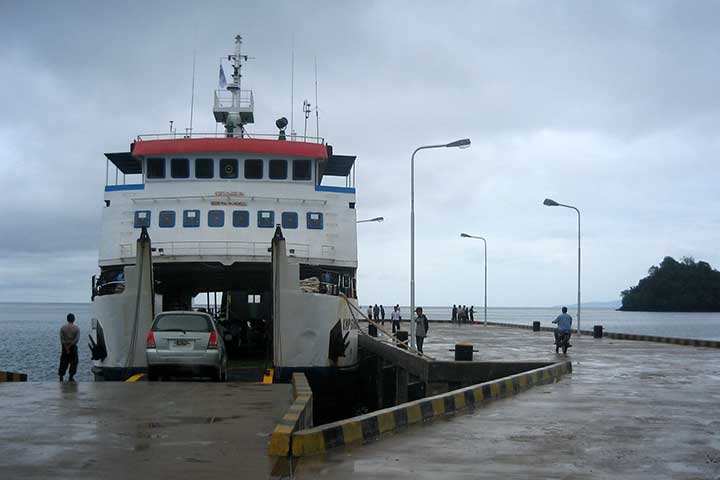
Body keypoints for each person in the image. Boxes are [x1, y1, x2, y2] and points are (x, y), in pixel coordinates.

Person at [59, 313, 80, 382]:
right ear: (74, 319)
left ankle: (61, 376)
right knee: (74, 362)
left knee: (63, 361)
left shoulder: (63, 328)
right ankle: (71, 376)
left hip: (64, 347)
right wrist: (70, 346)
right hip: (73, 347)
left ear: (67, 319)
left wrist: (66, 347)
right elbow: (76, 339)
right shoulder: (76, 328)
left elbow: (62, 339)